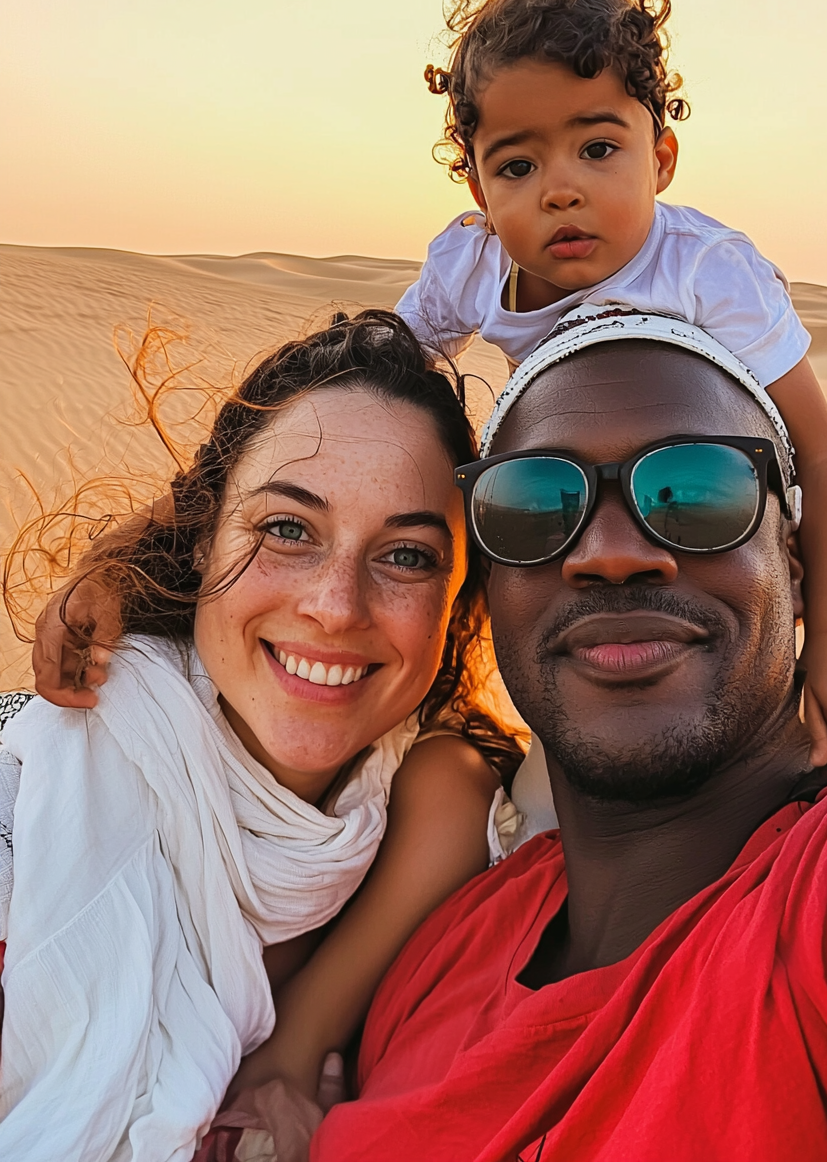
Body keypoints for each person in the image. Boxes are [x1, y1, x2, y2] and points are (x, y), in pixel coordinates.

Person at [311, 305, 827, 1162]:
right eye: (534, 505)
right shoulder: (437, 951)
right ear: (489, 589)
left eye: (697, 492)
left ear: (792, 556)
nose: (608, 552)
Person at [0, 311, 522, 1162]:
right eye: (287, 529)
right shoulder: (34, 783)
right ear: (202, 537)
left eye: (408, 557)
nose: (335, 605)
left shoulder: (455, 832)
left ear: (461, 600)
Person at [396, 0, 827, 765]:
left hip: (720, 538)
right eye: (516, 167)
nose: (560, 190)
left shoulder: (707, 271)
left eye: (598, 148)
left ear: (661, 158)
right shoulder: (471, 265)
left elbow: (818, 451)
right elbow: (386, 369)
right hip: (566, 524)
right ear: (475, 181)